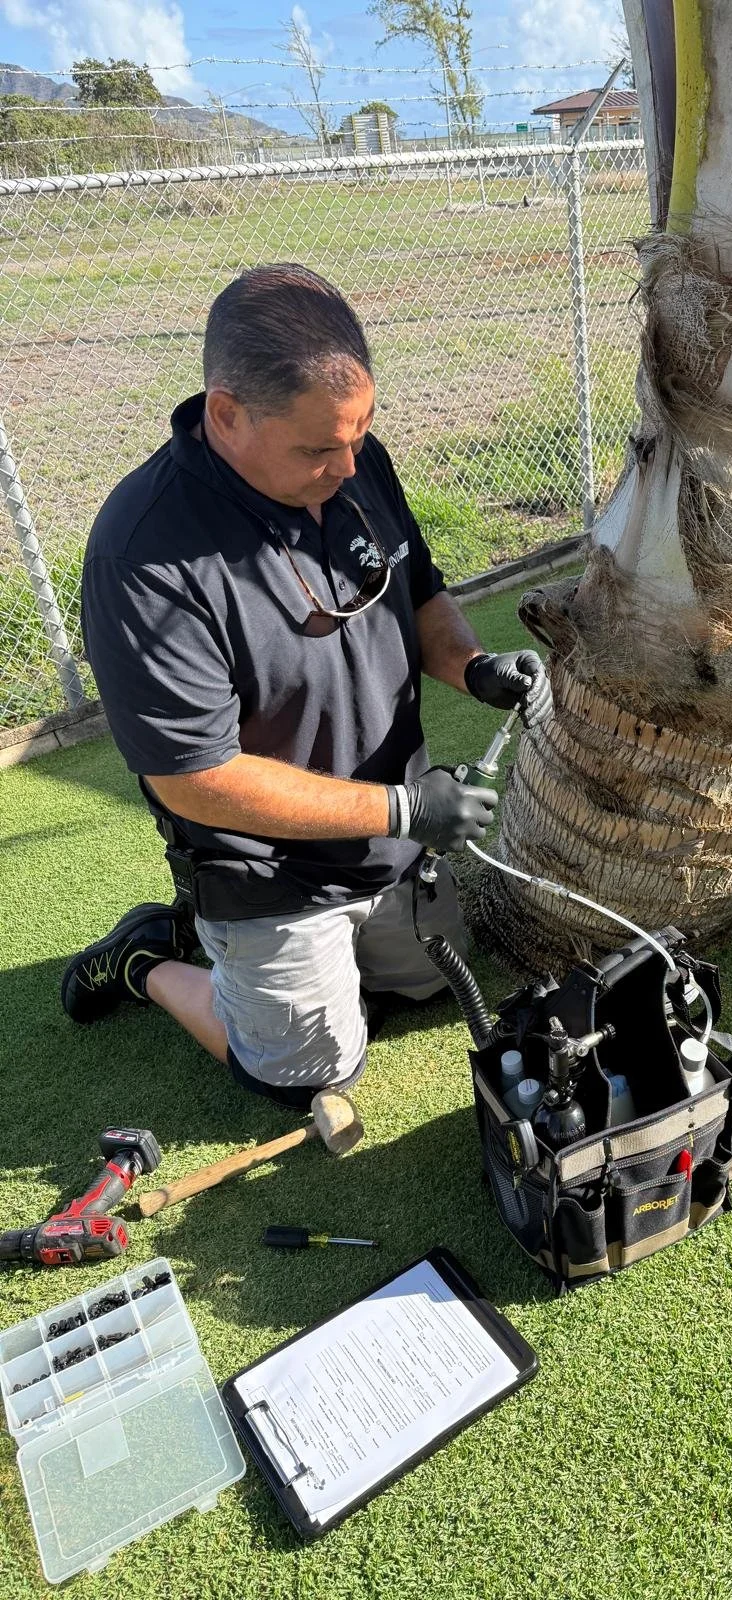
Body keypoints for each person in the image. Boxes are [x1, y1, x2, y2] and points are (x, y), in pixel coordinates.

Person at [60, 263, 551, 1109]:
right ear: (226, 414)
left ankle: (267, 949)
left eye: (359, 435)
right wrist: (406, 809)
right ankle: (151, 961)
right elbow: (195, 778)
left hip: (388, 843)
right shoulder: (142, 554)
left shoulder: (356, 463)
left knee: (421, 989)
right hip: (267, 868)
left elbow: (419, 589)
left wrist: (472, 667)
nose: (348, 463)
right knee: (309, 1076)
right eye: (320, 448)